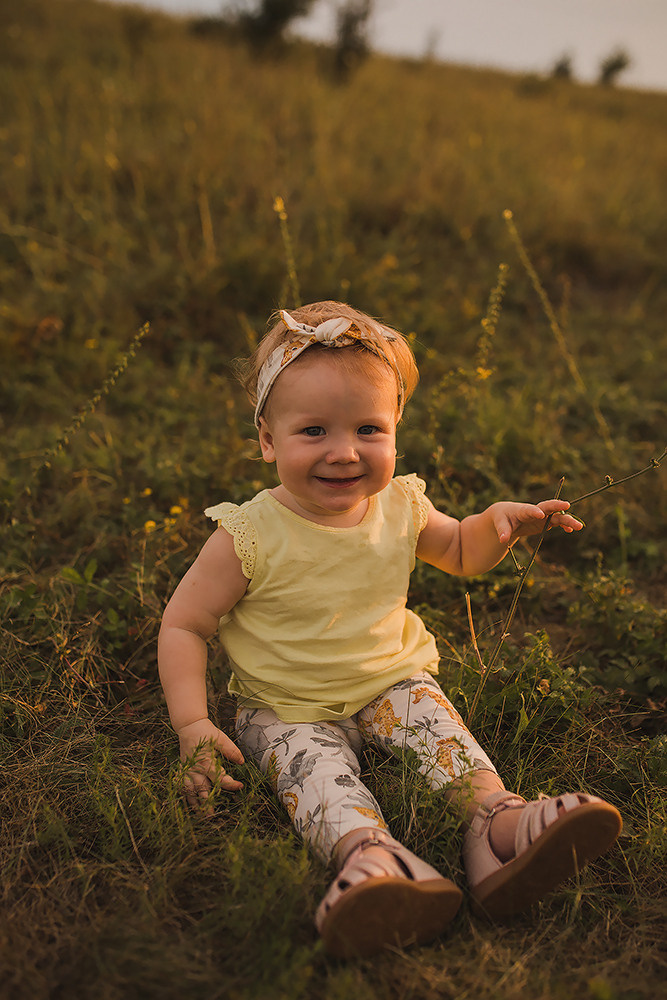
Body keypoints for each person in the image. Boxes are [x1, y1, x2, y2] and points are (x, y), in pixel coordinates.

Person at [157, 301, 622, 958]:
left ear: (396, 428)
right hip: (285, 706)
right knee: (315, 777)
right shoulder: (249, 534)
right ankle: (371, 859)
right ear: (267, 440)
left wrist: (497, 527)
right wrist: (192, 723)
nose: (344, 452)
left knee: (441, 736)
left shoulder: (400, 503)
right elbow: (185, 623)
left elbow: (458, 549)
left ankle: (497, 826)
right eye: (313, 431)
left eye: (368, 429)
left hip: (390, 679)